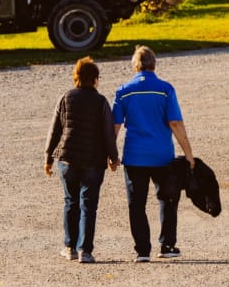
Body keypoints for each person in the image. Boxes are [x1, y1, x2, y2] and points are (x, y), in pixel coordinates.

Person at [112, 45, 194, 262]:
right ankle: (167, 244)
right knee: (167, 199)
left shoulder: (123, 91)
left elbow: (115, 126)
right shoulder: (165, 89)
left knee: (136, 203)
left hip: (134, 155)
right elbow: (175, 122)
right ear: (154, 64)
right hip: (162, 155)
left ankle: (142, 250)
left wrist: (110, 154)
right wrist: (188, 154)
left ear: (135, 66)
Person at [45, 56, 119, 264]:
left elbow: (55, 130)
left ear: (76, 78)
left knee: (71, 201)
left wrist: (48, 157)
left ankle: (69, 247)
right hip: (93, 160)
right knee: (89, 205)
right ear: (95, 79)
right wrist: (113, 158)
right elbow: (107, 133)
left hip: (67, 158)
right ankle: (85, 251)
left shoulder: (66, 97)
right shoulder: (101, 101)